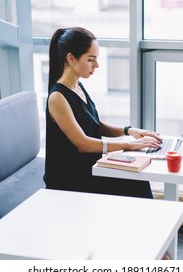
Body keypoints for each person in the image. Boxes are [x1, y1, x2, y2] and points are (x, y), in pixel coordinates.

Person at [43, 27, 162, 199]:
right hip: (70, 181)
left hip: (91, 169)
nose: (96, 65)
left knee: (137, 178)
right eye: (91, 60)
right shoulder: (57, 97)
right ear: (70, 58)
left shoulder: (77, 87)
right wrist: (128, 145)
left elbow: (95, 124)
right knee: (135, 182)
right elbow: (83, 144)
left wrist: (130, 131)